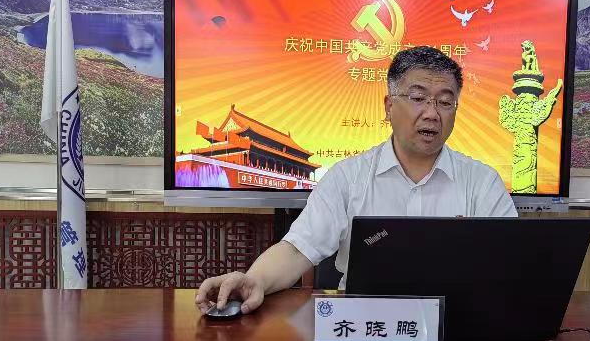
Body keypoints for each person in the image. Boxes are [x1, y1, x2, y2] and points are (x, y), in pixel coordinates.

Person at [196, 46, 518, 314]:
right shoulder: (348, 178)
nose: (432, 113)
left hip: (458, 327)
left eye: (445, 102)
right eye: (418, 98)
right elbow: (297, 249)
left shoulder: (482, 183)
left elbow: (509, 265)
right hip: (363, 328)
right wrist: (255, 280)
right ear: (389, 106)